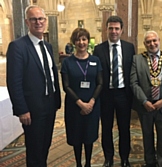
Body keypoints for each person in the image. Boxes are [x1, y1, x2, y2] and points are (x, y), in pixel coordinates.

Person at [6, 5, 61, 167]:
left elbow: (51, 75)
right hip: (32, 108)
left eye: (41, 19)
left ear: (46, 21)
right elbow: (14, 82)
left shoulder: (48, 46)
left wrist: (56, 100)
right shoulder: (18, 47)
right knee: (34, 148)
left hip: (50, 104)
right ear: (27, 22)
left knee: (45, 144)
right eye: (34, 19)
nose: (38, 22)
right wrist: (22, 109)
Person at [130, 31, 162, 167]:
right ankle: (149, 162)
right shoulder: (137, 59)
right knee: (147, 136)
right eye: (148, 42)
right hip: (145, 106)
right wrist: (144, 101)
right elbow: (133, 83)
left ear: (159, 41)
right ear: (144, 44)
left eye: (154, 40)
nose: (152, 44)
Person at [93, 16, 135, 167]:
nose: (114, 31)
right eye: (111, 28)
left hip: (124, 94)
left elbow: (132, 71)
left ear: (122, 30)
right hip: (106, 95)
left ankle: (125, 158)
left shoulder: (129, 48)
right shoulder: (98, 49)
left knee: (124, 128)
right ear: (106, 29)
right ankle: (108, 158)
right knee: (106, 128)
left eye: (117, 28)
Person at [61, 27, 103, 167]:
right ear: (74, 42)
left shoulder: (95, 60)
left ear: (88, 41)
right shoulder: (67, 62)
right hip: (74, 106)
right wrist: (81, 104)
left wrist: (91, 102)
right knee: (76, 136)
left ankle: (88, 164)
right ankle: (78, 164)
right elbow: (66, 86)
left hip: (92, 105)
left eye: (84, 39)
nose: (81, 42)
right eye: (78, 39)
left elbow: (100, 83)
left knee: (89, 136)